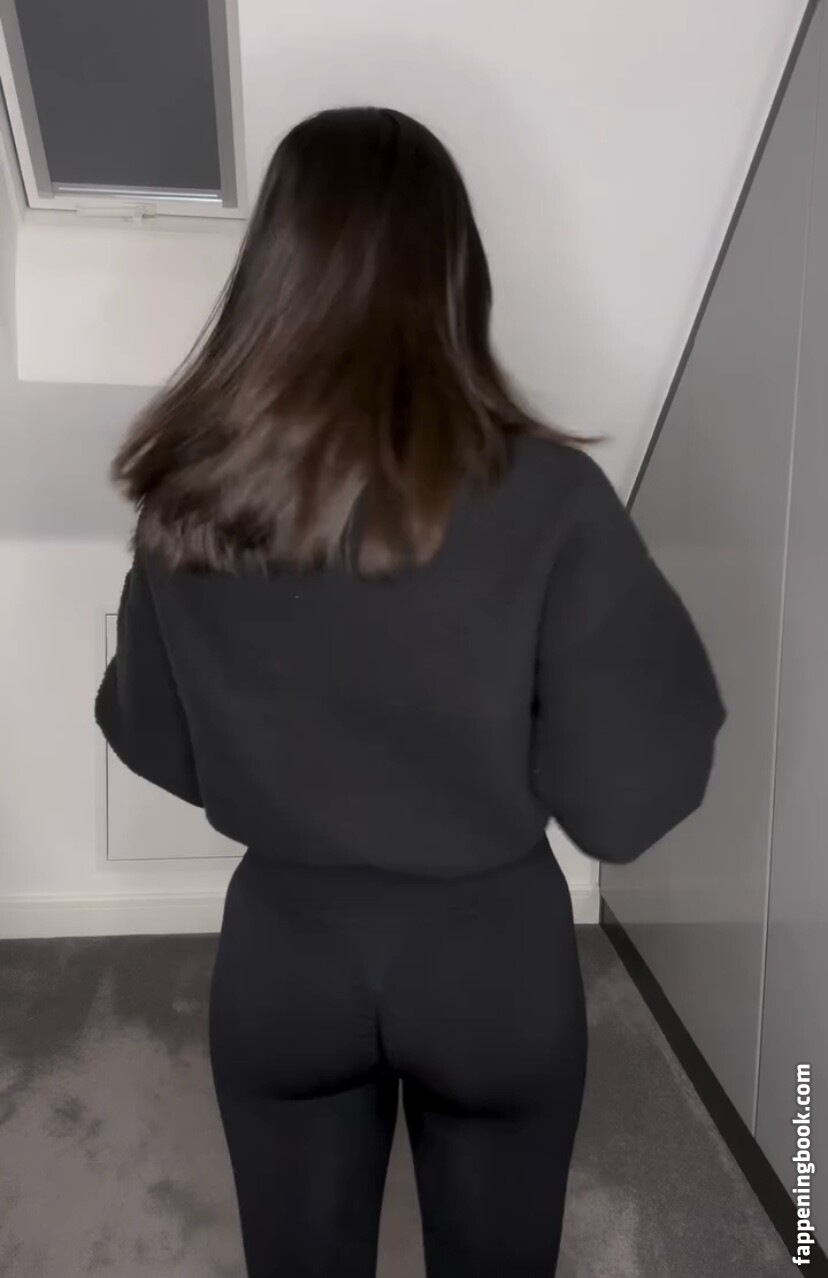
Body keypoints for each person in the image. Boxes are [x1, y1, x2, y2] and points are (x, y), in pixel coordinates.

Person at [95, 106, 726, 1278]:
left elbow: (152, 739)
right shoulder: (551, 497)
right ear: (453, 273)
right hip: (491, 960)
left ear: (274, 270)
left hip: (284, 956)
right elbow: (632, 797)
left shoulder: (188, 500)